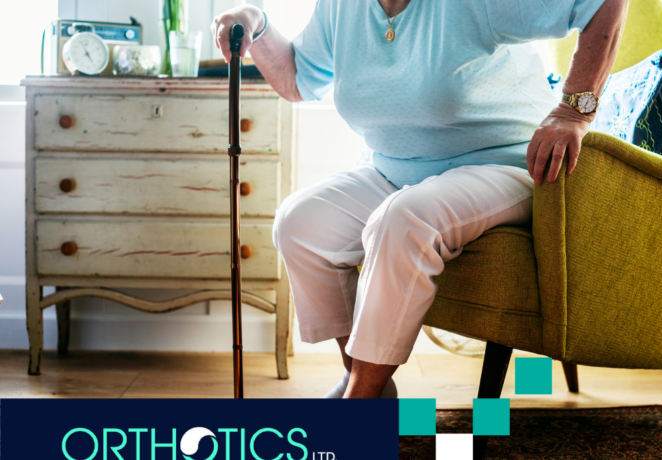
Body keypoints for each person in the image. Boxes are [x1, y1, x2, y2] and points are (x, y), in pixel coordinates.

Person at [211, 0, 628, 399]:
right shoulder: (340, 6)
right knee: (299, 223)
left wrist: (574, 112)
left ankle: (359, 405)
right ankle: (366, 384)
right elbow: (298, 79)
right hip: (396, 169)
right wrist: (255, 23)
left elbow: (601, 2)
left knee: (403, 218)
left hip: (505, 165)